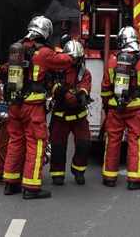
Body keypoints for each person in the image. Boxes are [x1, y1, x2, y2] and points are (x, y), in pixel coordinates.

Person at [2, 15, 75, 200]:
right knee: (37, 144)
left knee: (16, 143)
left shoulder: (17, 48)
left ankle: (10, 183)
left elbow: (5, 69)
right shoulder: (43, 53)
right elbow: (66, 62)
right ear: (47, 33)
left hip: (15, 104)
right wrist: (69, 52)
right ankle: (31, 187)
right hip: (32, 106)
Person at [100, 26, 140, 191]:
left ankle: (109, 177)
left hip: (115, 109)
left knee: (112, 141)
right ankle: (134, 179)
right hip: (135, 109)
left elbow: (105, 87)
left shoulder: (112, 61)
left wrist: (108, 104)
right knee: (134, 142)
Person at [48, 40, 92, 186]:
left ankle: (78, 170)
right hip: (60, 116)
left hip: (79, 116)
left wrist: (81, 95)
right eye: (72, 58)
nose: (74, 61)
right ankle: (57, 173)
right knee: (58, 146)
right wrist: (64, 92)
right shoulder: (57, 70)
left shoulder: (84, 72)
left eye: (77, 58)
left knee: (84, 144)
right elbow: (51, 87)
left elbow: (85, 85)